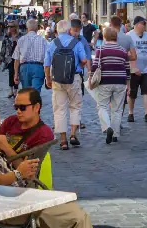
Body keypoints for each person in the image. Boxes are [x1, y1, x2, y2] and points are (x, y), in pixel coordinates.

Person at [49, 19, 90, 150]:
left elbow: (46, 63)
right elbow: (84, 59)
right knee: (75, 106)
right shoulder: (76, 43)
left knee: (59, 109)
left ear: (57, 30)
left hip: (57, 80)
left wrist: (48, 78)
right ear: (68, 30)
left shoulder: (52, 43)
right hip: (74, 78)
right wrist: (78, 66)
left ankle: (63, 140)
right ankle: (73, 135)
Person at [91, 26, 129, 145]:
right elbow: (127, 69)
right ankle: (115, 134)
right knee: (117, 109)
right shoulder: (123, 51)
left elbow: (95, 66)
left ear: (105, 36)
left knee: (102, 106)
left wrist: (91, 78)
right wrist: (128, 84)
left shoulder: (100, 49)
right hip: (120, 82)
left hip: (105, 82)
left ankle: (108, 127)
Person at [0, 87, 55, 157]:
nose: (18, 111)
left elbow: (27, 167)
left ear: (36, 107)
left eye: (22, 107)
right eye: (16, 107)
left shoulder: (44, 134)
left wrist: (6, 148)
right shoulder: (10, 121)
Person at [122, 16, 147, 124]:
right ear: (136, 25)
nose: (145, 26)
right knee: (132, 93)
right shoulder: (128, 36)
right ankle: (130, 113)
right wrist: (132, 67)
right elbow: (125, 53)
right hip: (133, 70)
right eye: (143, 24)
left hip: (145, 69)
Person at [14, 18, 47, 93]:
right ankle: (35, 103)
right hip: (38, 67)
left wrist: (16, 74)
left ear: (27, 28)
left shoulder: (21, 40)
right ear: (37, 28)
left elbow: (16, 59)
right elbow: (47, 58)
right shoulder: (43, 40)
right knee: (36, 92)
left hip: (24, 67)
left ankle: (28, 103)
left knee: (26, 92)